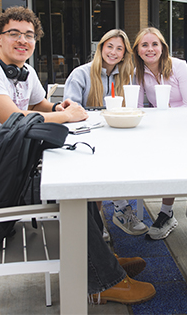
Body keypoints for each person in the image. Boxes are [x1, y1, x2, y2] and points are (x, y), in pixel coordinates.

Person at [0, 6, 155, 305]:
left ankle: (104, 260)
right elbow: (14, 118)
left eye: (29, 35)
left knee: (79, 177)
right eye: (13, 33)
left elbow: (40, 104)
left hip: (4, 162)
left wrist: (58, 108)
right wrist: (67, 117)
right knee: (70, 189)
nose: (22, 40)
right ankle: (104, 280)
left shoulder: (25, 70)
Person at [63, 29, 148, 236]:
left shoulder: (128, 76)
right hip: (87, 137)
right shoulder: (81, 73)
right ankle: (109, 214)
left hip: (116, 134)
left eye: (119, 48)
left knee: (131, 157)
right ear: (100, 48)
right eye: (109, 46)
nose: (113, 52)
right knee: (100, 165)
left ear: (124, 53)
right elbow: (69, 110)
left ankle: (114, 213)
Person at [132, 27, 187, 240]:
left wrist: (168, 118)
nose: (150, 49)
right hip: (160, 126)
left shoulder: (179, 66)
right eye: (144, 45)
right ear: (137, 50)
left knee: (174, 155)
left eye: (155, 44)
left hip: (186, 125)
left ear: (163, 47)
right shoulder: (137, 71)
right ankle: (186, 201)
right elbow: (137, 106)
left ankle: (169, 211)